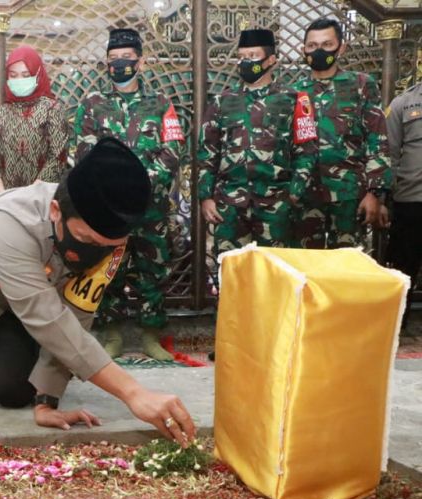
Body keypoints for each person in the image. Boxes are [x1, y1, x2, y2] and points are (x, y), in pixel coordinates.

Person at [0, 137, 197, 445]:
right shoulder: (9, 220)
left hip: (27, 310)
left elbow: (77, 314)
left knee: (15, 392)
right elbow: (47, 319)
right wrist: (133, 392)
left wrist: (48, 399)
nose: (95, 251)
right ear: (56, 210)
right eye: (84, 238)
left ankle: (2, 354)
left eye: (107, 246)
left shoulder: (111, 241)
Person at [75, 28, 184, 362]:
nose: (119, 65)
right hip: (110, 209)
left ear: (141, 62)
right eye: (113, 60)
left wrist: (142, 183)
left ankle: (150, 334)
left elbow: (174, 149)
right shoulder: (93, 105)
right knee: (109, 268)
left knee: (154, 270)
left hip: (151, 208)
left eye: (126, 59)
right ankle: (111, 334)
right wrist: (112, 188)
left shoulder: (161, 104)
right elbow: (81, 152)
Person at [198, 28, 317, 254]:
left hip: (276, 204)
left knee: (275, 272)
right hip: (230, 205)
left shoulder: (294, 100)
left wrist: (293, 193)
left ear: (271, 60)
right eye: (241, 57)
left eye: (252, 56)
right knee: (233, 274)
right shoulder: (221, 101)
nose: (245, 62)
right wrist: (206, 197)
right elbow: (207, 152)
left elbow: (307, 150)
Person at [292, 17, 392, 249]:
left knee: (347, 266)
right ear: (303, 50)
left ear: (341, 47)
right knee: (306, 268)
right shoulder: (293, 92)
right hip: (305, 197)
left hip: (349, 195)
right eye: (312, 46)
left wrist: (374, 193)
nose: (318, 51)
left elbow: (377, 139)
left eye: (327, 45)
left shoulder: (361, 85)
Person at [0, 45, 69, 194]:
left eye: (25, 74)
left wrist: (30, 196)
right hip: (4, 201)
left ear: (37, 75)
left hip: (42, 200)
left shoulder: (52, 109)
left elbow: (58, 157)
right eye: (13, 75)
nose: (19, 80)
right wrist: (3, 195)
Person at [385, 80, 422, 323]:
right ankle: (397, 327)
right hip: (412, 201)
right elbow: (389, 153)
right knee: (404, 269)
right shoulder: (403, 103)